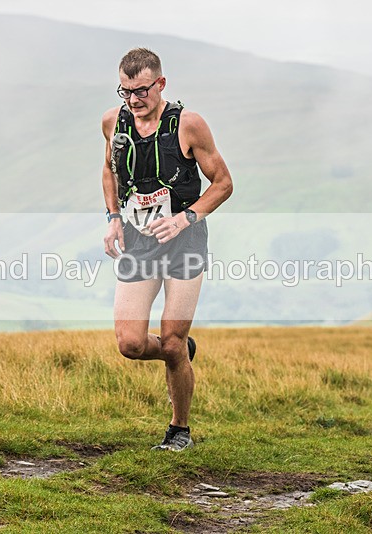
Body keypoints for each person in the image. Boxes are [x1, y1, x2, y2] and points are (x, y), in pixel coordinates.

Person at [101, 48, 233, 451]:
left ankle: (179, 430)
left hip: (185, 241)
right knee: (131, 344)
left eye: (141, 90)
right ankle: (180, 354)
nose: (134, 100)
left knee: (172, 339)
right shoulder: (113, 121)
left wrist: (185, 218)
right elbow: (108, 169)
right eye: (126, 92)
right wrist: (112, 218)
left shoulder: (188, 125)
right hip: (139, 240)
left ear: (161, 83)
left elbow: (223, 183)